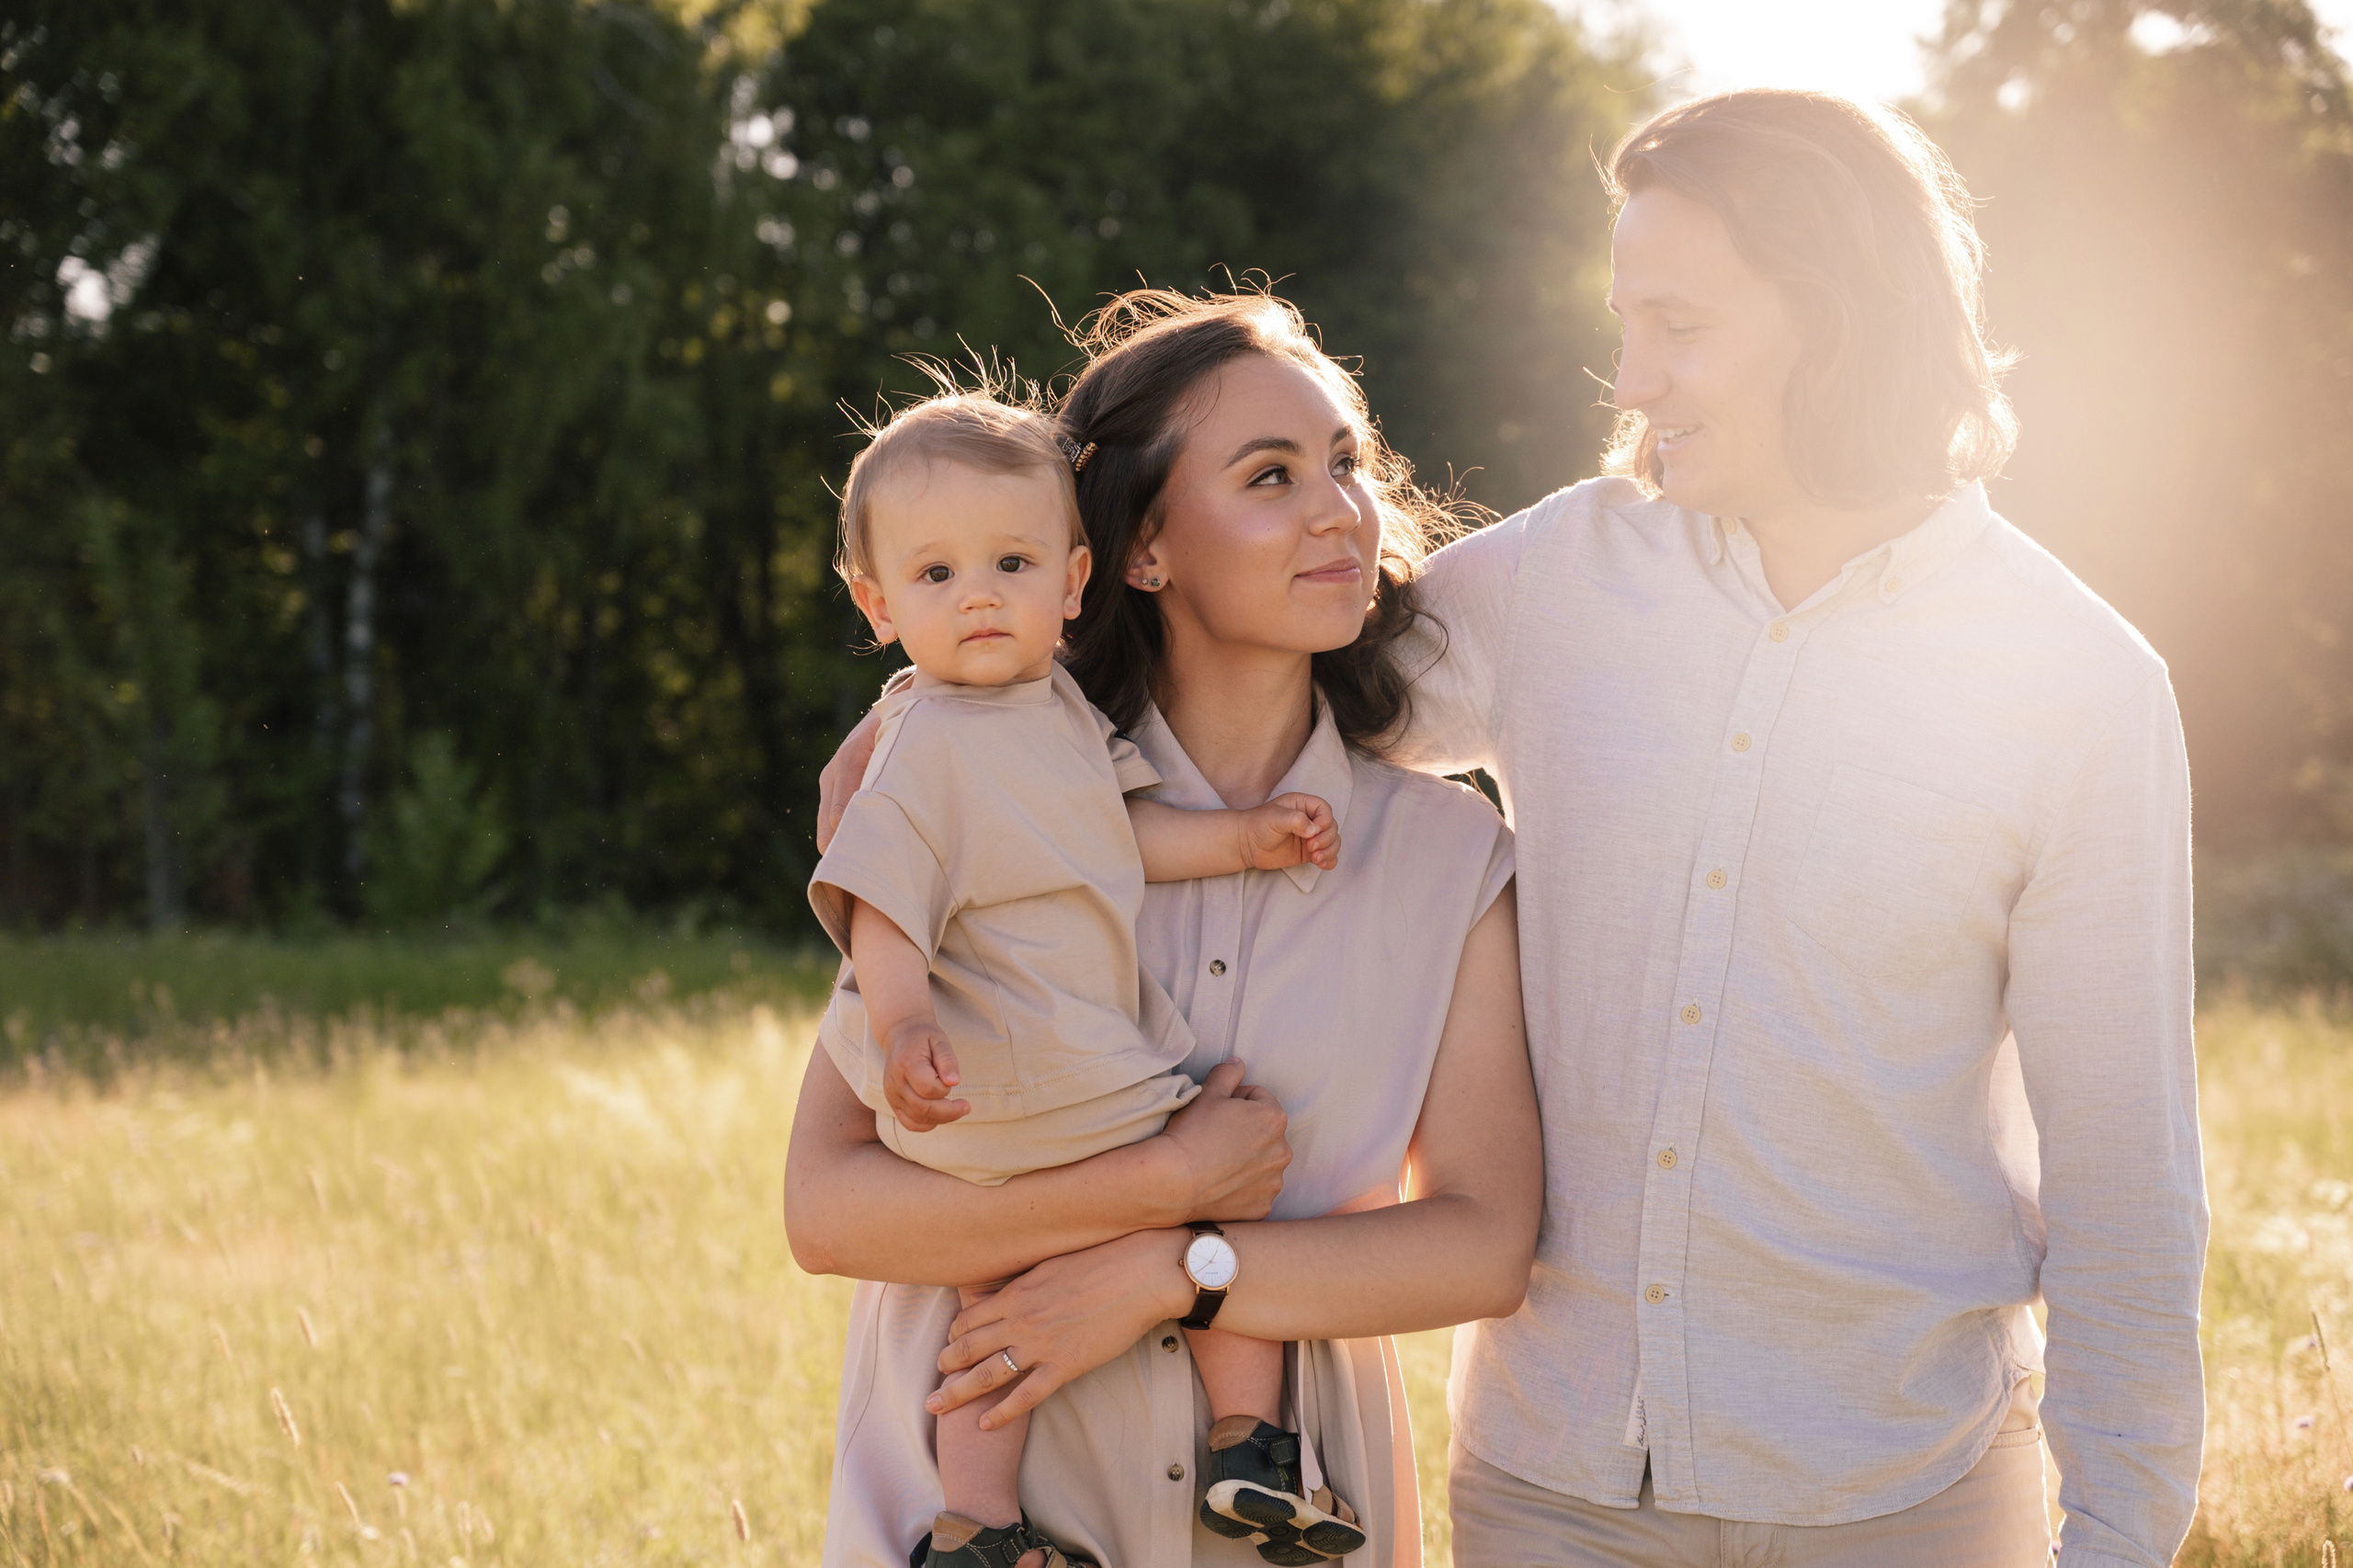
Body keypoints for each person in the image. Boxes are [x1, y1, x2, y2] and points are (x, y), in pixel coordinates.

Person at [1395, 90, 2206, 1567]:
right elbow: (1248, 698)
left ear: (1835, 317)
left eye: (1680, 324)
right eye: (1624, 322)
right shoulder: (1554, 579)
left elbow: (2125, 1180)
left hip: (1905, 1500)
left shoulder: (2079, 685)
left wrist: (2119, 1540)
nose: (1632, 377)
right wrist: (973, 712)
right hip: (1554, 1488)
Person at [786, 290, 1543, 1568]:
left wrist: (1179, 1268)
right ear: (1138, 550)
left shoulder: (1449, 857)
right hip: (969, 1512)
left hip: (1284, 1527)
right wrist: (1160, 1186)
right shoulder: (965, 782)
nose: (1337, 510)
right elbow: (828, 1207)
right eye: (1270, 475)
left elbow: (1481, 1244)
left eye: (1345, 465)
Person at [810, 387, 1361, 1568]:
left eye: (1009, 563)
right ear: (876, 602)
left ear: (1071, 581)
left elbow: (1115, 842)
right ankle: (1230, 1454)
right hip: (1010, 1075)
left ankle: (1023, 1517)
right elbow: (878, 901)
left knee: (1014, 1302)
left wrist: (1244, 837)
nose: (978, 597)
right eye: (936, 574)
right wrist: (904, 1026)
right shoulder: (921, 744)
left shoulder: (1053, 712)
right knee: (1205, 1208)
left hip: (1056, 1079)